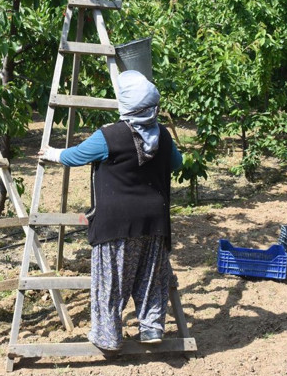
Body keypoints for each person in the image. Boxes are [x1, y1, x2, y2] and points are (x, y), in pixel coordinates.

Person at [39, 70, 183, 352]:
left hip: (117, 223)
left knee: (111, 282)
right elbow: (176, 163)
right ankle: (152, 329)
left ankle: (109, 336)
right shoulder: (162, 136)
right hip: (154, 221)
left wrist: (53, 153)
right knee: (152, 277)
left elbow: (77, 155)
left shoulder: (110, 135)